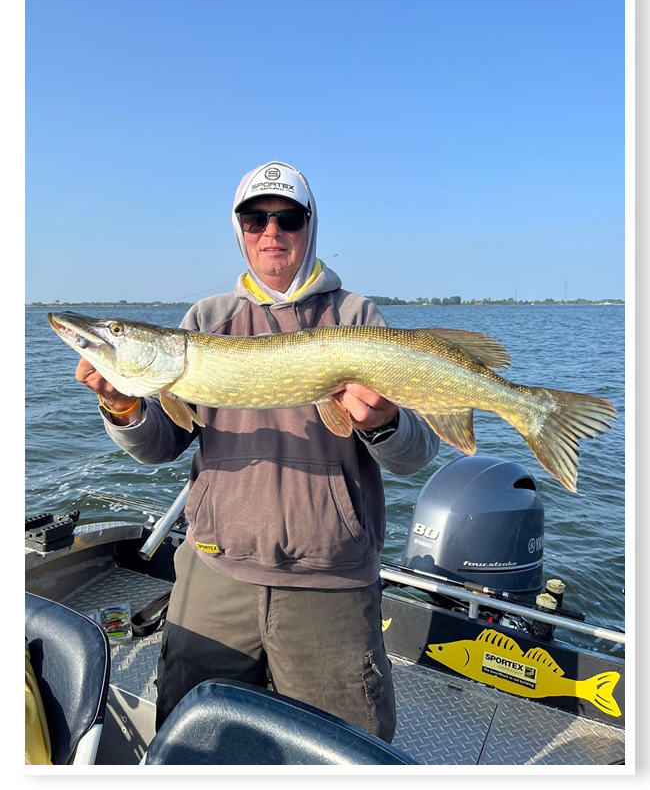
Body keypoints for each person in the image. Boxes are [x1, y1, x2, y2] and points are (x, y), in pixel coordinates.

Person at [75, 161, 439, 742]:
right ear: (239, 231)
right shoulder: (206, 322)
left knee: (341, 752)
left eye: (287, 218)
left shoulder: (357, 317)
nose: (271, 232)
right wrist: (125, 407)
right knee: (193, 740)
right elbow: (162, 445)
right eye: (255, 219)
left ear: (309, 226)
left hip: (332, 579)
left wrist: (386, 423)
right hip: (216, 570)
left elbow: (413, 455)